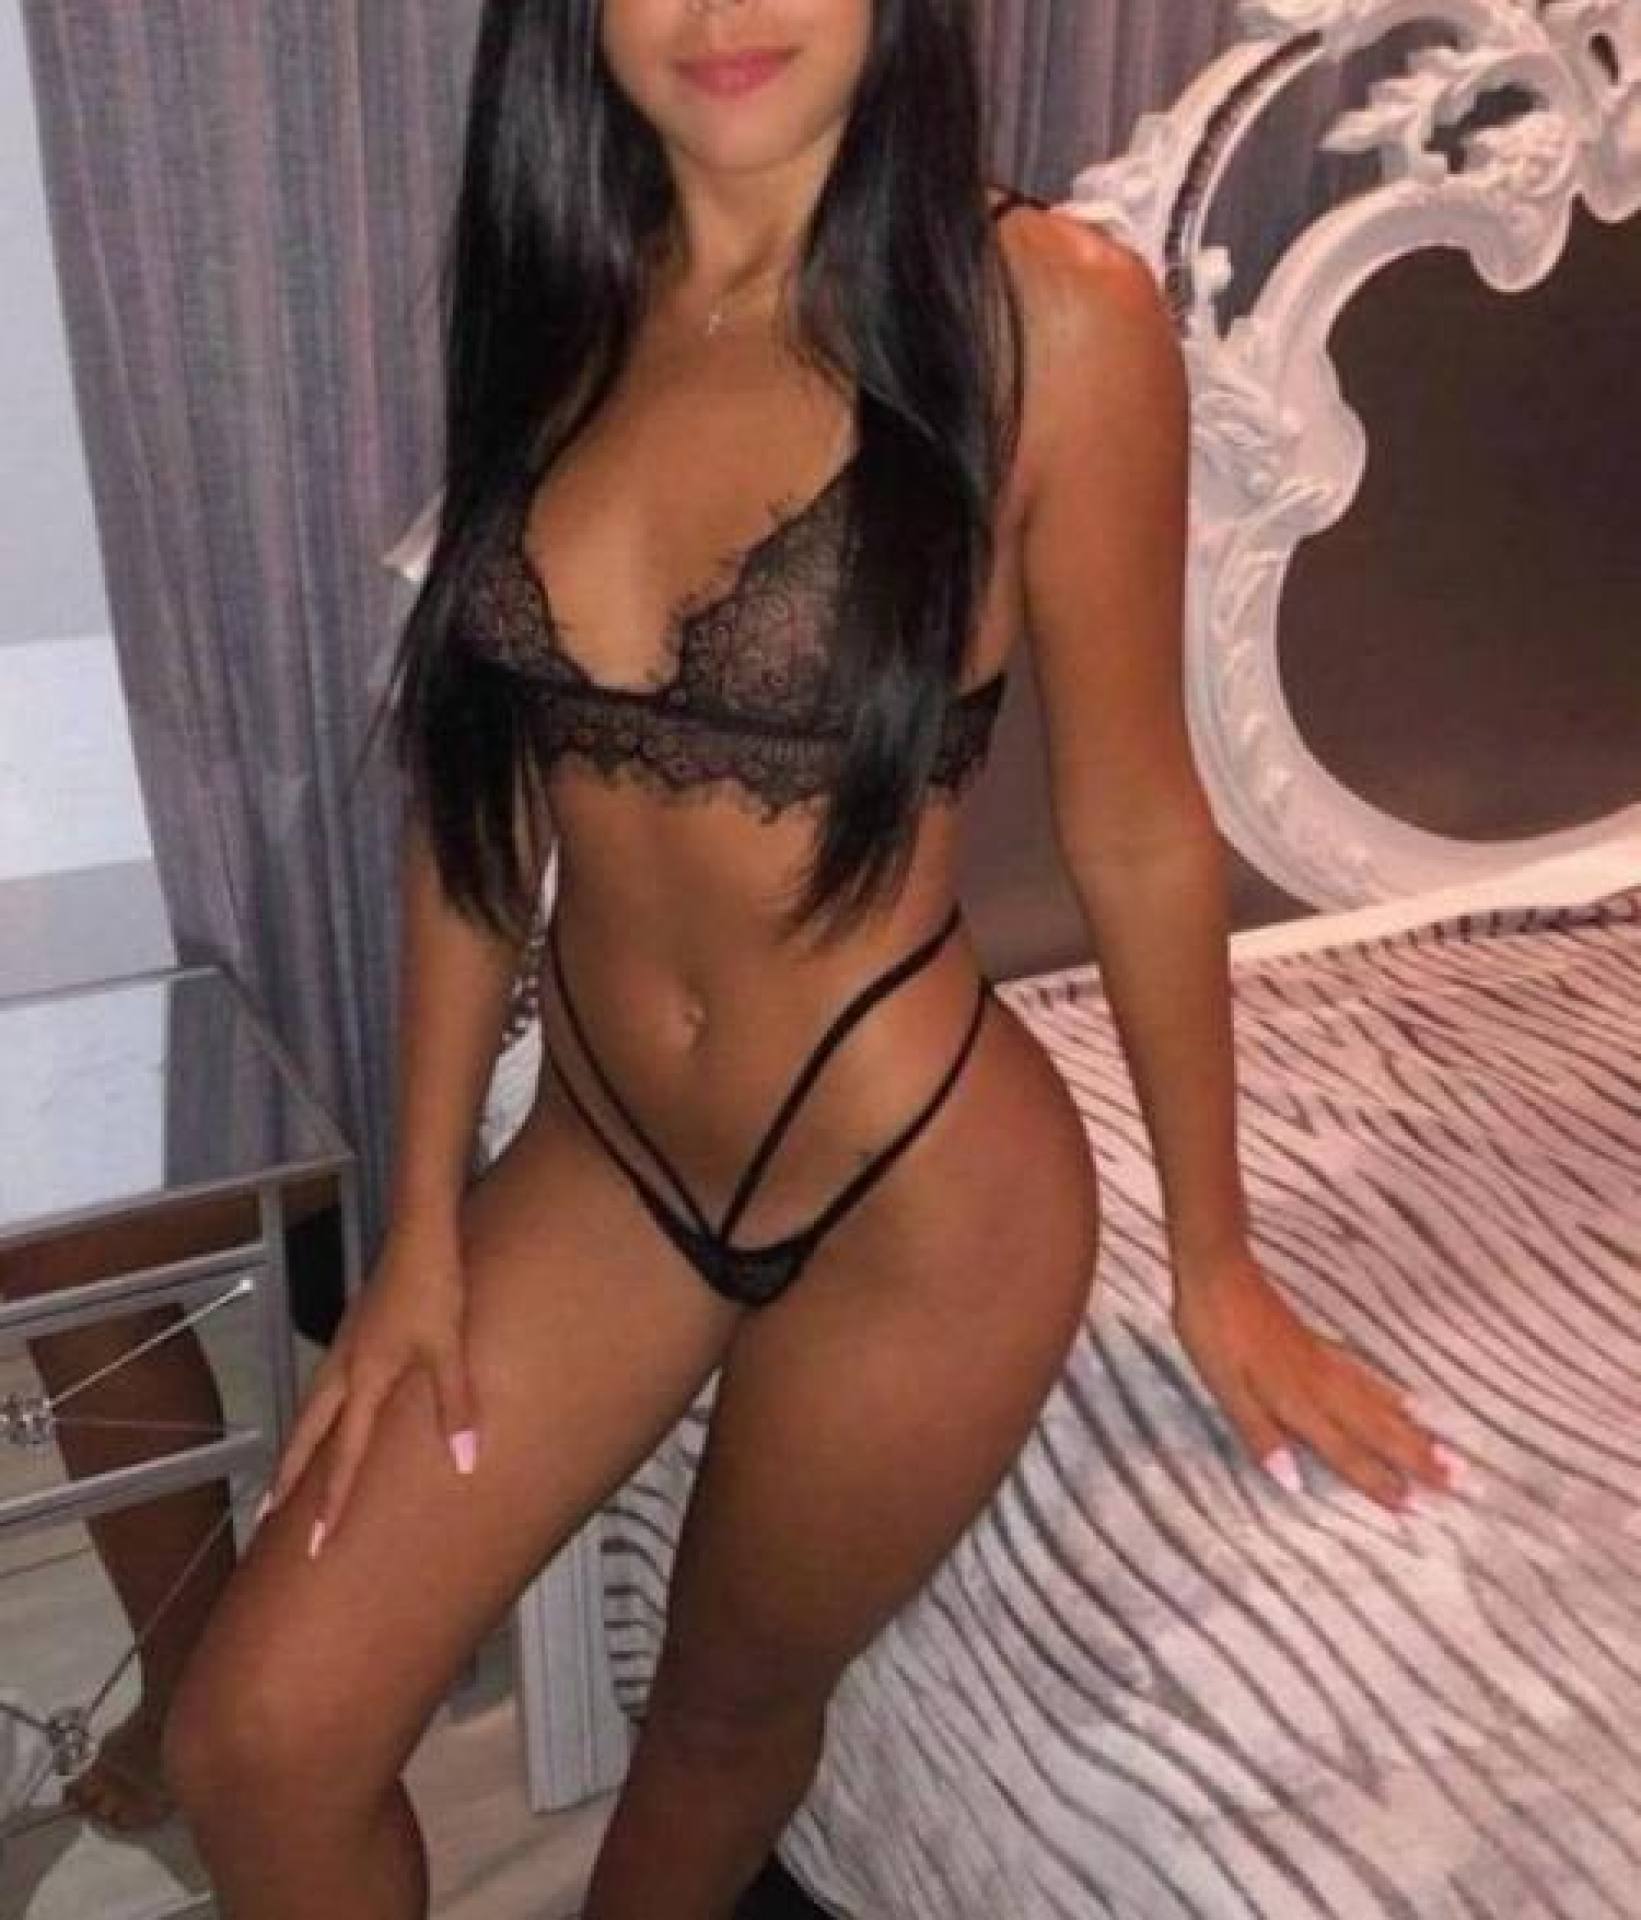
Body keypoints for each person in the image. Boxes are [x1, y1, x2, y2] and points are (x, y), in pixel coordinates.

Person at [160, 2, 1462, 1915]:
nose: (721, 13)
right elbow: (473, 813)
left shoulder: (1051, 314)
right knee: (257, 1742)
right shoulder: (560, 286)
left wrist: (1216, 1261)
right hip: (605, 1156)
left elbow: (1132, 823)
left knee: (720, 1714)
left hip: (914, 1197)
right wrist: (419, 1226)